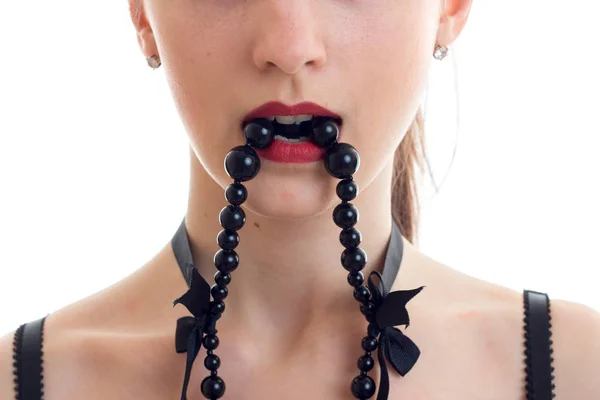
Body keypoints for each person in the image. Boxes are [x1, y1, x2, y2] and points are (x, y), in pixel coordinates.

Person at [2, 0, 599, 399]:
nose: (290, 47)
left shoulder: (575, 369)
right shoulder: (22, 381)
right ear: (142, 12)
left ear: (450, 6)